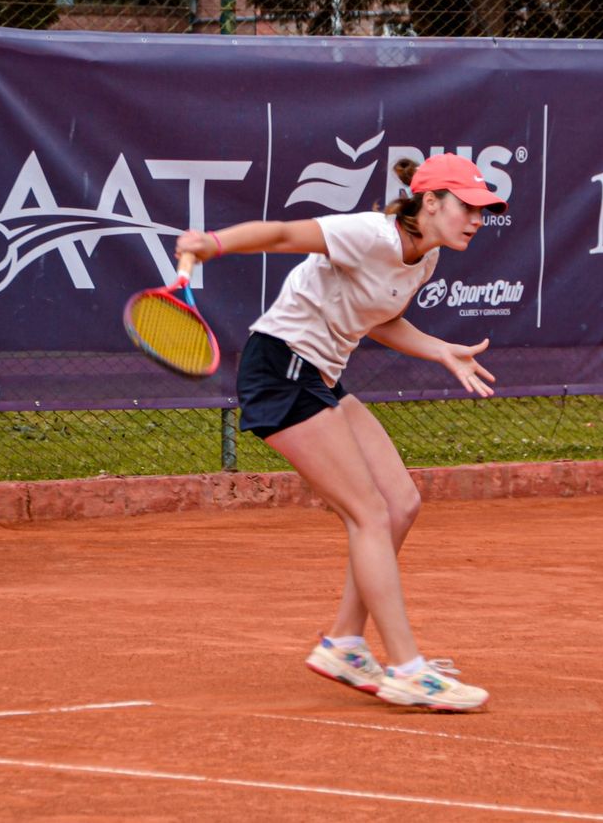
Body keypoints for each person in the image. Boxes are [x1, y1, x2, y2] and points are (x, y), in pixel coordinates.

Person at [173, 153, 505, 712]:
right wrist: (214, 243)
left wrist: (439, 350)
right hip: (281, 369)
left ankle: (346, 645)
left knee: (400, 502)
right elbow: (282, 234)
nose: (477, 219)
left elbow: (378, 317)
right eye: (468, 207)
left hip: (319, 375)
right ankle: (406, 669)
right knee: (368, 513)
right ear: (430, 202)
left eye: (484, 211)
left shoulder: (424, 258)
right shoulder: (368, 234)